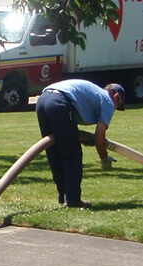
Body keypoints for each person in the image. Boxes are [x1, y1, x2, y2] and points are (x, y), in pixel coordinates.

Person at [35, 79, 125, 209]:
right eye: (118, 105)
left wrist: (85, 139)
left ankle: (63, 196)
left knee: (54, 152)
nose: (114, 109)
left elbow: (69, 128)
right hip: (60, 102)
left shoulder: (93, 93)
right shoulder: (107, 101)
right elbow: (100, 136)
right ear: (116, 97)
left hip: (43, 100)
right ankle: (73, 199)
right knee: (72, 155)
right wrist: (104, 158)